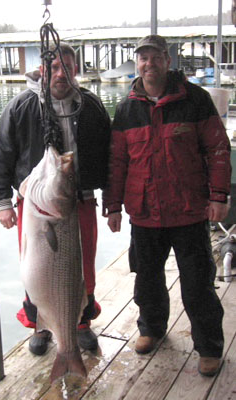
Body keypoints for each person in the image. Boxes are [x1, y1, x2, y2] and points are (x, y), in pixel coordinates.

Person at [103, 35, 231, 377]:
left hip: (188, 210)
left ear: (167, 61)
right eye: (142, 58)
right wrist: (113, 205)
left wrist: (219, 196)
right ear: (138, 63)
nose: (148, 64)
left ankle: (209, 347)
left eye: (155, 57)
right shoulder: (127, 108)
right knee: (146, 279)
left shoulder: (196, 100)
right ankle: (151, 329)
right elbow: (117, 162)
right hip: (144, 212)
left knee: (197, 283)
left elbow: (218, 151)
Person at [0, 42, 111, 355]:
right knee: (37, 265)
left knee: (83, 265)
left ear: (75, 71)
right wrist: (2, 202)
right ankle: (40, 324)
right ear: (43, 71)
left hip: (80, 199)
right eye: (55, 68)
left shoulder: (91, 106)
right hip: (35, 204)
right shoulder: (20, 106)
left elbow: (109, 155)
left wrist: (112, 200)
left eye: (67, 68)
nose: (61, 74)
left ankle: (80, 323)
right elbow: (0, 154)